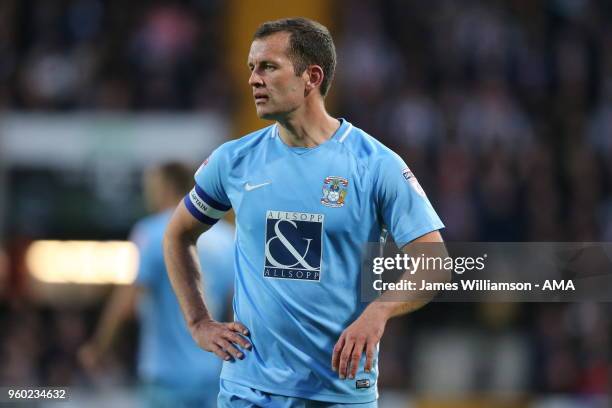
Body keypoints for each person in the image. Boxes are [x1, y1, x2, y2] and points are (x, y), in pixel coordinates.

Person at [163, 17, 445, 407]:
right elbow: (177, 234)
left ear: (311, 76)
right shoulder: (234, 161)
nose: (253, 80)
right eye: (251, 68)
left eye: (268, 67)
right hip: (249, 391)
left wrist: (378, 312)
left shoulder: (375, 164)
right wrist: (199, 323)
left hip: (339, 393)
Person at [79, 162, 235, 408]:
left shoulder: (151, 232)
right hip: (214, 373)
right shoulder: (228, 237)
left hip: (165, 376)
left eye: (151, 187)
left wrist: (100, 346)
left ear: (166, 187)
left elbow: (127, 301)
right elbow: (233, 308)